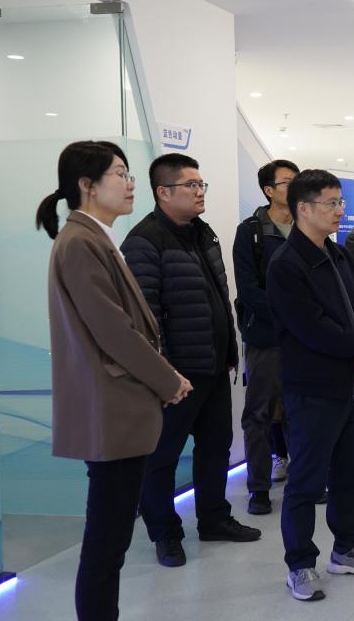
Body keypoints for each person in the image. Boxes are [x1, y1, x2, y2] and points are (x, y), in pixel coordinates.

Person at [37, 141, 193, 620]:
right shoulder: (80, 242)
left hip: (118, 407)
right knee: (106, 543)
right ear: (87, 185)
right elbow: (114, 332)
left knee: (111, 539)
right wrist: (168, 380)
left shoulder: (93, 237)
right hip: (111, 408)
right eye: (120, 173)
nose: (129, 184)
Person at [122, 153, 260, 568]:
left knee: (215, 447)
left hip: (213, 366)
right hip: (176, 374)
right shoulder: (144, 241)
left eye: (202, 185)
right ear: (163, 192)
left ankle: (214, 518)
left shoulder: (204, 233)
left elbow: (217, 298)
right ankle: (165, 533)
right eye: (191, 185)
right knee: (161, 457)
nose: (201, 192)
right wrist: (164, 375)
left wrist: (230, 351)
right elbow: (145, 317)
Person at [267, 169, 354, 602]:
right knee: (305, 480)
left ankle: (347, 548)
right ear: (304, 208)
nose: (340, 210)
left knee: (351, 473)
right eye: (331, 203)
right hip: (313, 389)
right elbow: (311, 327)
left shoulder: (339, 255)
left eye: (340, 202)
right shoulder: (286, 264)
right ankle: (300, 564)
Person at [232, 159, 299, 515]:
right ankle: (258, 488)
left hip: (304, 340)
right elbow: (248, 289)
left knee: (299, 411)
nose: (296, 186)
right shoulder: (251, 232)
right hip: (266, 337)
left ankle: (304, 480)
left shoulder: (307, 226)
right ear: (269, 190)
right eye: (287, 182)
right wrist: (290, 313)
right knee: (259, 414)